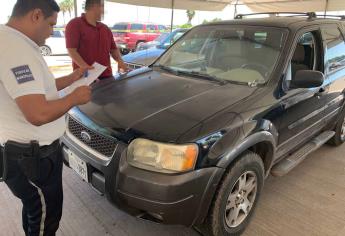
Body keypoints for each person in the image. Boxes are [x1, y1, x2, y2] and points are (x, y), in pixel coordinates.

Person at [0, 0, 91, 235]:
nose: (52, 33)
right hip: (32, 159)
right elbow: (37, 113)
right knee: (45, 218)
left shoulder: (12, 41)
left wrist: (72, 78)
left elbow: (40, 89)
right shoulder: (15, 48)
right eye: (51, 25)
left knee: (34, 210)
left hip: (27, 155)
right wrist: (74, 98)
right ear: (36, 15)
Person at [65, 0, 128, 80]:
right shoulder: (75, 24)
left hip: (107, 76)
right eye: (102, 7)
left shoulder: (105, 28)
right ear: (95, 6)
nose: (104, 11)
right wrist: (86, 68)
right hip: (85, 78)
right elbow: (71, 50)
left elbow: (113, 49)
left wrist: (120, 60)